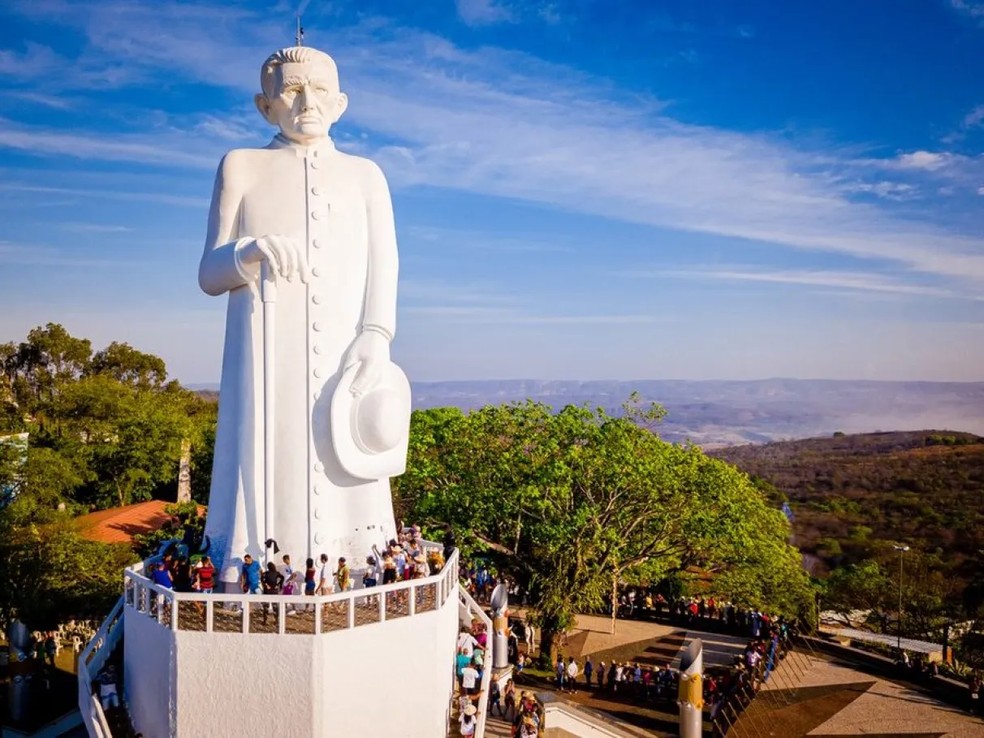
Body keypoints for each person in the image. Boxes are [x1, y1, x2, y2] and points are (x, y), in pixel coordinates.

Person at [199, 44, 407, 588]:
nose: (306, 101)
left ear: (340, 103)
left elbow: (385, 261)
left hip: (346, 353)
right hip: (267, 357)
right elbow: (208, 272)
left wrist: (376, 333)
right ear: (265, 105)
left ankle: (359, 560)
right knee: (268, 460)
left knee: (347, 461)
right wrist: (248, 251)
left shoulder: (366, 175)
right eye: (291, 89)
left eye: (318, 89)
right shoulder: (241, 165)